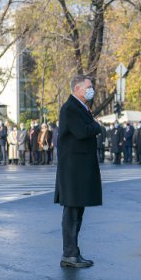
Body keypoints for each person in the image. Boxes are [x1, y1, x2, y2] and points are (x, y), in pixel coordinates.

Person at [54, 75, 102, 268]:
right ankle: (69, 254)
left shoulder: (80, 107)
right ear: (77, 89)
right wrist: (97, 126)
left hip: (79, 168)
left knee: (77, 212)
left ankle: (73, 253)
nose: (92, 90)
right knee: (72, 212)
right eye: (88, 87)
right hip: (73, 170)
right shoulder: (70, 108)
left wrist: (93, 125)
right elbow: (82, 132)